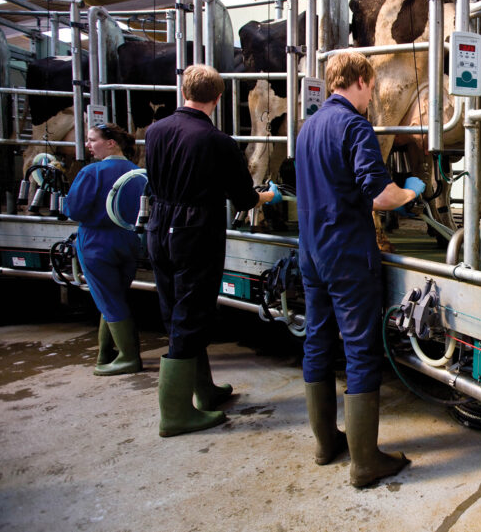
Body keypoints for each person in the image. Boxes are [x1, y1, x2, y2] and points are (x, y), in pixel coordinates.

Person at [295, 52, 424, 488]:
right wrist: (409, 193)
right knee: (359, 349)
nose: (372, 95)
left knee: (316, 340)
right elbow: (379, 195)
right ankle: (366, 462)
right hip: (346, 252)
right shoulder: (354, 125)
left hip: (311, 250)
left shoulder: (308, 127)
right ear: (362, 81)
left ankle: (325, 444)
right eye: (372, 86)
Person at [145, 64, 281, 438]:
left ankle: (202, 390)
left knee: (175, 309)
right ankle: (174, 415)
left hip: (159, 224)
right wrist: (267, 196)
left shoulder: (155, 132)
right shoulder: (216, 140)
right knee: (193, 310)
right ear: (219, 98)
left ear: (184, 90)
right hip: (194, 230)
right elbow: (242, 198)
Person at [63, 123, 143, 376]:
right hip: (130, 241)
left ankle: (129, 357)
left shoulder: (91, 172)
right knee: (113, 296)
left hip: (97, 243)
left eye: (92, 140)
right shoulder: (138, 172)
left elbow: (73, 211)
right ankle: (105, 352)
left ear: (111, 143)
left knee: (109, 298)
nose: (88, 145)